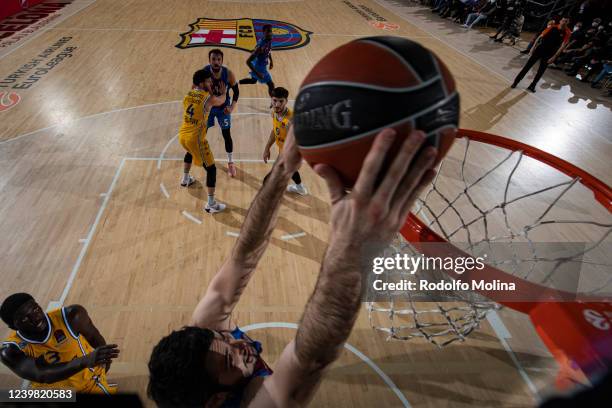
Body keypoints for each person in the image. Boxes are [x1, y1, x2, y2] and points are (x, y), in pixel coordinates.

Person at [147, 126, 437, 407]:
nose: (236, 346)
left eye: (222, 339)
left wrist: (282, 169)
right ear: (215, 401)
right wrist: (353, 252)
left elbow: (244, 256)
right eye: (228, 361)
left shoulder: (209, 339)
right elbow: (311, 357)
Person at [0, 293, 119, 394]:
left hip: (88, 385)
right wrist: (84, 361)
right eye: (25, 319)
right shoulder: (10, 351)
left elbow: (98, 342)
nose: (36, 318)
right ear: (13, 326)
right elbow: (41, 375)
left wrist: (101, 371)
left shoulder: (72, 316)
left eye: (36, 309)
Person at [179, 69, 228, 214]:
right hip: (196, 140)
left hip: (183, 136)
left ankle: (185, 178)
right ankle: (211, 204)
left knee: (189, 151)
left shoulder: (188, 94)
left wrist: (205, 88)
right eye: (208, 81)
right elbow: (221, 101)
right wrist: (224, 92)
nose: (211, 82)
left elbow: (195, 90)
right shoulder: (209, 98)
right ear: (201, 83)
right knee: (211, 169)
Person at [262, 87, 307, 196]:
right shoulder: (274, 113)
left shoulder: (291, 120)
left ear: (286, 101)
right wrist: (267, 148)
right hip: (282, 149)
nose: (277, 104)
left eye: (281, 101)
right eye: (274, 100)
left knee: (269, 180)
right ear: (271, 100)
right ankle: (300, 188)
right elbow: (274, 131)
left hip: (290, 152)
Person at [204, 49, 240, 178]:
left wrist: (232, 107)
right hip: (209, 108)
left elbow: (236, 92)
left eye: (218, 59)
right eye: (213, 59)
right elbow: (198, 90)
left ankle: (230, 162)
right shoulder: (204, 72)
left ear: (222, 61)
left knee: (226, 134)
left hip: (223, 109)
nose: (216, 62)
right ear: (209, 61)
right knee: (202, 133)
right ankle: (204, 158)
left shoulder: (228, 74)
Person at [511, 16, 572, 92]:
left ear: (568, 23)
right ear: (560, 21)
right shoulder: (552, 27)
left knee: (541, 71)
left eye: (566, 21)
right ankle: (516, 82)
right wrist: (533, 47)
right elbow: (540, 37)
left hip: (550, 53)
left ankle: (532, 85)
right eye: (563, 20)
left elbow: (562, 46)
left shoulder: (568, 32)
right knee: (527, 66)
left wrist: (554, 57)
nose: (564, 22)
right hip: (540, 49)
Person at [239, 24, 275, 97]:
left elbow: (268, 51)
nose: (270, 33)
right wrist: (258, 73)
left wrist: (271, 61)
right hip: (259, 67)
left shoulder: (269, 40)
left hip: (260, 63)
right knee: (271, 84)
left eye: (271, 31)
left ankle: (235, 83)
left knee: (253, 81)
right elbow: (248, 61)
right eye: (268, 31)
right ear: (263, 32)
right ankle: (274, 103)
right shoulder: (260, 47)